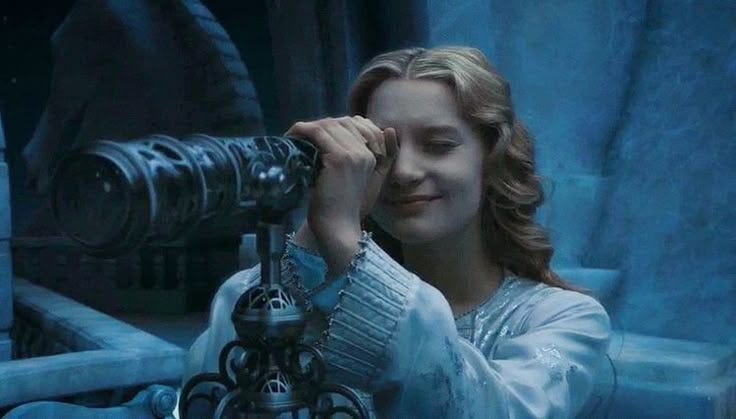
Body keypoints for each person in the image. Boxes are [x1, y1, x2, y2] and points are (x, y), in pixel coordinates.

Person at [185, 46, 612, 418]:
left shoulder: (566, 319)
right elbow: (209, 398)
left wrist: (346, 240)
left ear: (493, 159)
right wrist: (316, 231)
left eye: (438, 145)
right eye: (382, 151)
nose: (404, 172)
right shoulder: (310, 296)